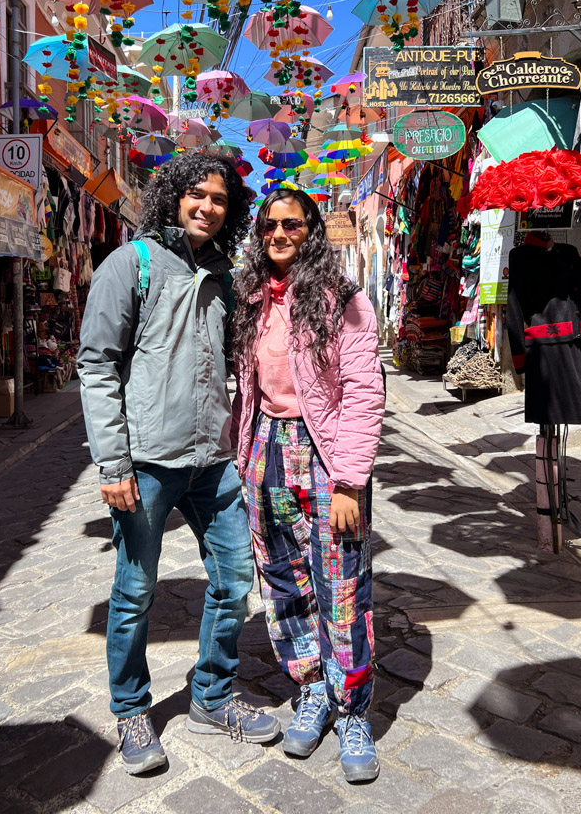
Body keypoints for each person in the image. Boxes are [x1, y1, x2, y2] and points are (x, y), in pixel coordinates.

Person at [77, 153, 279, 776]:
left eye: (219, 199)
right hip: (147, 463)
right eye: (197, 194)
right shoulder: (130, 263)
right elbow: (96, 365)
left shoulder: (224, 274)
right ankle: (131, 708)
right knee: (135, 590)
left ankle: (212, 694)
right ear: (173, 196)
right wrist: (112, 465)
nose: (207, 207)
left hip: (213, 461)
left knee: (235, 579)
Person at [231, 188, 385, 783]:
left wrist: (349, 480)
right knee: (284, 579)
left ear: (312, 229)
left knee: (341, 583)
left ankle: (351, 709)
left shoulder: (343, 300)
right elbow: (247, 387)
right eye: (268, 225)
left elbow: (364, 392)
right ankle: (312, 686)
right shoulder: (252, 298)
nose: (277, 234)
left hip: (326, 458)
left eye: (290, 224)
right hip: (267, 450)